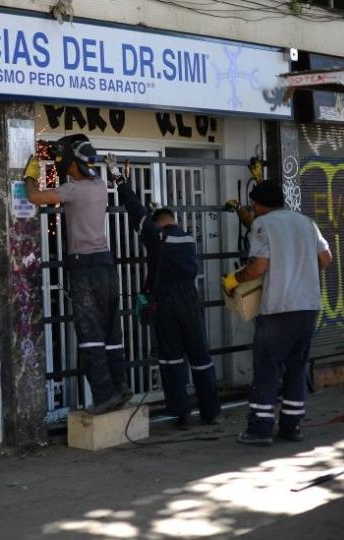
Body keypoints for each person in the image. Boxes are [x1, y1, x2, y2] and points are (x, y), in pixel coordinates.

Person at [22, 134, 131, 415]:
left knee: (90, 333)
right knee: (111, 331)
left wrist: (30, 174)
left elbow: (34, 197)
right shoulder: (98, 186)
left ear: (73, 162)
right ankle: (121, 387)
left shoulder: (74, 190)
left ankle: (104, 395)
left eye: (64, 159)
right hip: (106, 264)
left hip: (84, 266)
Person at [109, 156, 221, 426]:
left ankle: (180, 413)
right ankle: (211, 412)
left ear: (157, 224)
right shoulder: (187, 238)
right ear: (174, 219)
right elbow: (150, 218)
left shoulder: (156, 237)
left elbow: (136, 213)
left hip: (166, 304)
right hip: (191, 302)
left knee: (171, 360)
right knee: (201, 358)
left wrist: (121, 183)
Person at [222, 181, 332, 446]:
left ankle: (260, 429)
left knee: (267, 367)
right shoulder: (307, 223)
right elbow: (326, 258)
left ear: (259, 205)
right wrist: (299, 264)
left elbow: (258, 267)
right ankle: (291, 427)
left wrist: (234, 280)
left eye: (253, 205)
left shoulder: (263, 225)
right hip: (308, 308)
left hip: (279, 309)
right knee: (296, 367)